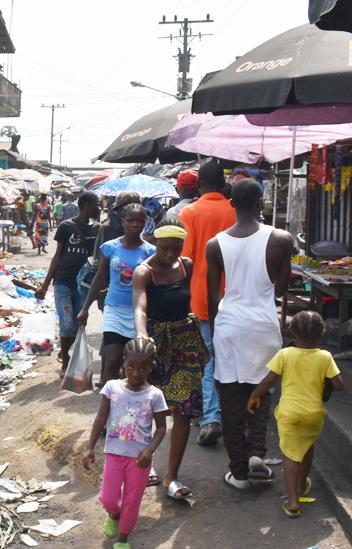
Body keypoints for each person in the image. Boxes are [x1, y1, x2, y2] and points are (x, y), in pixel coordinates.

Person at [205, 178, 294, 490]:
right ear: (261, 203)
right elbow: (281, 288)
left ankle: (239, 471)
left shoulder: (215, 244)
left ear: (232, 204)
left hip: (230, 326)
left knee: (230, 399)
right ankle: (257, 453)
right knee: (261, 392)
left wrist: (215, 337)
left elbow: (213, 298)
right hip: (263, 327)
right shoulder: (281, 239)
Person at [132, 217, 207, 500]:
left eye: (176, 248)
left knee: (184, 409)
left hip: (185, 341)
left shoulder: (186, 265)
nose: (170, 255)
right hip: (154, 343)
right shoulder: (144, 271)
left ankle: (172, 477)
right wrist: (142, 335)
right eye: (165, 248)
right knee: (147, 407)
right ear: (155, 243)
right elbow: (139, 307)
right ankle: (146, 460)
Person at [247, 311, 345, 517]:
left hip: (289, 414)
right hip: (313, 414)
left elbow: (269, 380)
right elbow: (338, 385)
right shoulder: (325, 357)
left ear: (292, 334)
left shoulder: (285, 354)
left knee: (290, 456)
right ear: (320, 336)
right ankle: (301, 486)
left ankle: (292, 500)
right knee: (307, 447)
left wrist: (254, 396)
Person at [83, 338, 168, 549]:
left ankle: (123, 539)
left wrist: (150, 451)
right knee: (108, 497)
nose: (136, 373)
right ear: (124, 362)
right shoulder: (112, 388)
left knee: (132, 500)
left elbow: (162, 428)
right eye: (131, 366)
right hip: (113, 452)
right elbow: (101, 418)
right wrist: (89, 446)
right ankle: (114, 513)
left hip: (139, 459)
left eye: (143, 368)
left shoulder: (155, 395)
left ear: (151, 367)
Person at [178, 161, 235, 447]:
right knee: (230, 357)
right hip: (235, 297)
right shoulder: (237, 211)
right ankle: (230, 416)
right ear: (223, 183)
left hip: (201, 299)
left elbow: (184, 260)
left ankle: (211, 417)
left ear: (200, 185)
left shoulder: (189, 212)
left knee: (209, 358)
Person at [78, 203, 156, 384]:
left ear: (145, 222)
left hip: (139, 314)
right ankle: (109, 404)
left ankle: (130, 404)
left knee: (134, 364)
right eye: (130, 220)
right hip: (114, 310)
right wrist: (85, 308)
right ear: (123, 222)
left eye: (139, 220)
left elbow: (153, 284)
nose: (135, 225)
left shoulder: (150, 252)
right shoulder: (110, 247)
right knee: (112, 360)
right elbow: (100, 278)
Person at [35, 192, 102, 373]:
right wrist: (45, 285)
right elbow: (57, 256)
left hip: (84, 285)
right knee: (66, 323)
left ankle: (65, 353)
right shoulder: (66, 227)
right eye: (96, 204)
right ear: (86, 205)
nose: (99, 208)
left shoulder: (98, 229)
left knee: (77, 322)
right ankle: (66, 363)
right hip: (63, 281)